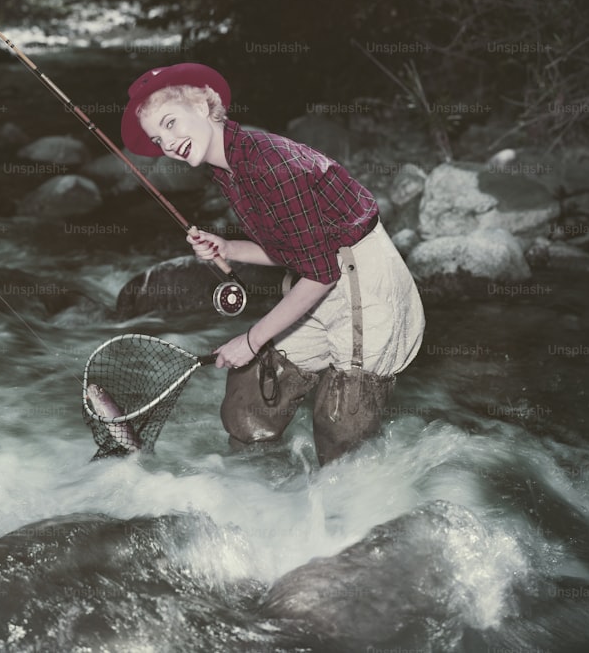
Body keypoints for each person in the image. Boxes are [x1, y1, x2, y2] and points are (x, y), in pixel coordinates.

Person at [121, 63, 425, 465]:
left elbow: (321, 273)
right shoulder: (229, 167)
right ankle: (260, 501)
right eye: (158, 138)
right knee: (249, 405)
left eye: (172, 122)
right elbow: (296, 249)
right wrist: (229, 249)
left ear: (203, 105)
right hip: (318, 279)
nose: (169, 142)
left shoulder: (267, 162)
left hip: (364, 289)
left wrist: (250, 340)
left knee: (340, 433)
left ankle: (346, 517)